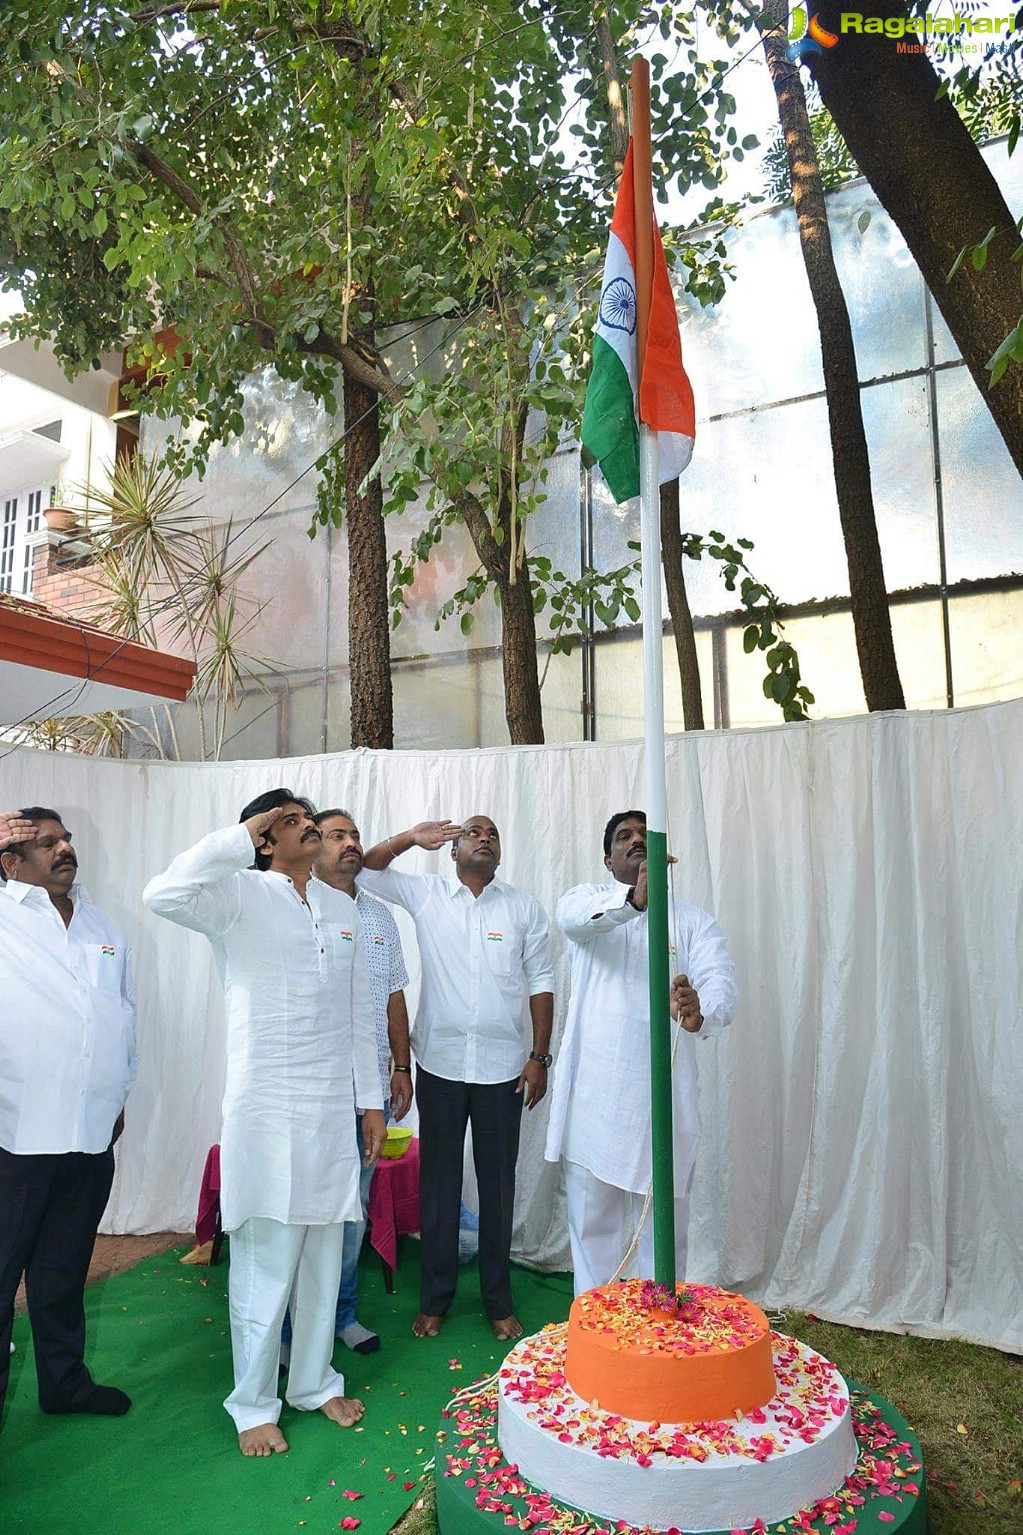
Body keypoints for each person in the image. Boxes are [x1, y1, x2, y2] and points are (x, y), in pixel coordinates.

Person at [143, 790, 386, 1457]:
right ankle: (252, 1402)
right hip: (267, 1106)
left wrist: (369, 1101)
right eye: (288, 820)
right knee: (265, 1258)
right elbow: (162, 894)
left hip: (330, 1107)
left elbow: (360, 1010)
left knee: (321, 1254)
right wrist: (239, 833)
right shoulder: (236, 897)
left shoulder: (341, 908)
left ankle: (312, 1381)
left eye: (308, 816)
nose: (308, 825)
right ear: (262, 838)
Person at [360, 816, 555, 1341]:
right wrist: (408, 838)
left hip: (503, 1071)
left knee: (497, 1187)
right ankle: (436, 1298)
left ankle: (498, 1301)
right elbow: (365, 871)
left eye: (493, 832)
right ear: (452, 849)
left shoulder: (523, 908)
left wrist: (540, 1054)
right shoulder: (426, 894)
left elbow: (541, 980)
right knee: (439, 1187)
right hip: (440, 1065)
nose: (485, 837)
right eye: (473, 831)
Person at [545, 810, 738, 1295]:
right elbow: (571, 922)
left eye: (643, 836)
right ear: (608, 860)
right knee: (594, 1226)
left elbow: (721, 982)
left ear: (664, 855)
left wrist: (701, 1012)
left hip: (663, 1099)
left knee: (664, 1230)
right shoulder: (587, 902)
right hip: (595, 1097)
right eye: (623, 837)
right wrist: (634, 901)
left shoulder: (693, 922)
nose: (635, 842)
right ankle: (596, 1329)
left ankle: (661, 1333)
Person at [0, 806, 137, 1426]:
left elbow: (121, 1015)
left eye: (66, 839)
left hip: (89, 1133)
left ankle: (64, 1384)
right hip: (16, 1134)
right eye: (47, 842)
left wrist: (117, 1094)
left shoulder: (103, 926)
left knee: (60, 1274)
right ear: (11, 862)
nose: (64, 849)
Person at [308, 807, 414, 1356]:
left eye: (354, 835)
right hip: (313, 1092)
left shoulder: (379, 916)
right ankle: (290, 1332)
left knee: (354, 1212)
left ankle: (343, 1314)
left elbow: (395, 993)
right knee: (305, 1214)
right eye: (336, 835)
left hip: (369, 1094)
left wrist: (401, 1066)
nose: (350, 843)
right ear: (312, 845)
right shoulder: (300, 909)